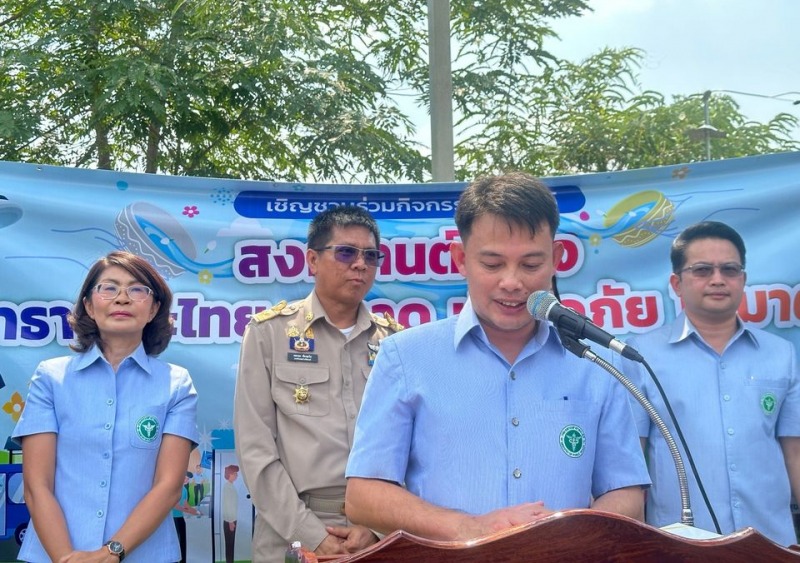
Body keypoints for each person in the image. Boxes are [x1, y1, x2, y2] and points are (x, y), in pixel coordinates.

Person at [345, 172, 650, 540]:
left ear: (556, 259)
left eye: (531, 264)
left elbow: (627, 491)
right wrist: (468, 528)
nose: (512, 282)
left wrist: (567, 536)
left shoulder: (596, 362)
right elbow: (363, 496)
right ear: (461, 258)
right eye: (492, 264)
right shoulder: (406, 357)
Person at [233, 205, 403, 561]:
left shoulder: (395, 342)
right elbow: (255, 450)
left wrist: (374, 531)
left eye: (371, 256)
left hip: (377, 531)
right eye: (346, 252)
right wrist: (311, 534)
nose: (360, 264)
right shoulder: (270, 333)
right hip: (291, 530)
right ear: (312, 260)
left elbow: (412, 450)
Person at [617, 221, 800, 546]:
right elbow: (628, 462)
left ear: (743, 279)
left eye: (729, 269)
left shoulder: (781, 354)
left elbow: (795, 454)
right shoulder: (640, 355)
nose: (718, 279)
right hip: (681, 546)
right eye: (702, 270)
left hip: (772, 545)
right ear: (676, 282)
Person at [13, 250, 199, 562]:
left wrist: (111, 553)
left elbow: (168, 487)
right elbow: (36, 485)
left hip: (145, 554)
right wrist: (65, 558)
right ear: (88, 304)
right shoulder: (51, 378)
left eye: (137, 289)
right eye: (109, 288)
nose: (122, 298)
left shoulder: (176, 383)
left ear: (154, 308)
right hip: (52, 555)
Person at [173, 472, 200, 563]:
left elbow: (185, 504)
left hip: (180, 518)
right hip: (173, 519)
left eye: (188, 479)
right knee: (177, 543)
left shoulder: (184, 489)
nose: (186, 480)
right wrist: (186, 510)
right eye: (185, 478)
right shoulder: (175, 489)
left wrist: (195, 512)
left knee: (182, 542)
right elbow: (175, 505)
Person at [222, 464, 240, 563]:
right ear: (230, 474)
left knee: (231, 544)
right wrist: (230, 521)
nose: (236, 476)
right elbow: (227, 505)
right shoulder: (227, 487)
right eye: (235, 474)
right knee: (229, 544)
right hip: (230, 520)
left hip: (232, 519)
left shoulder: (230, 486)